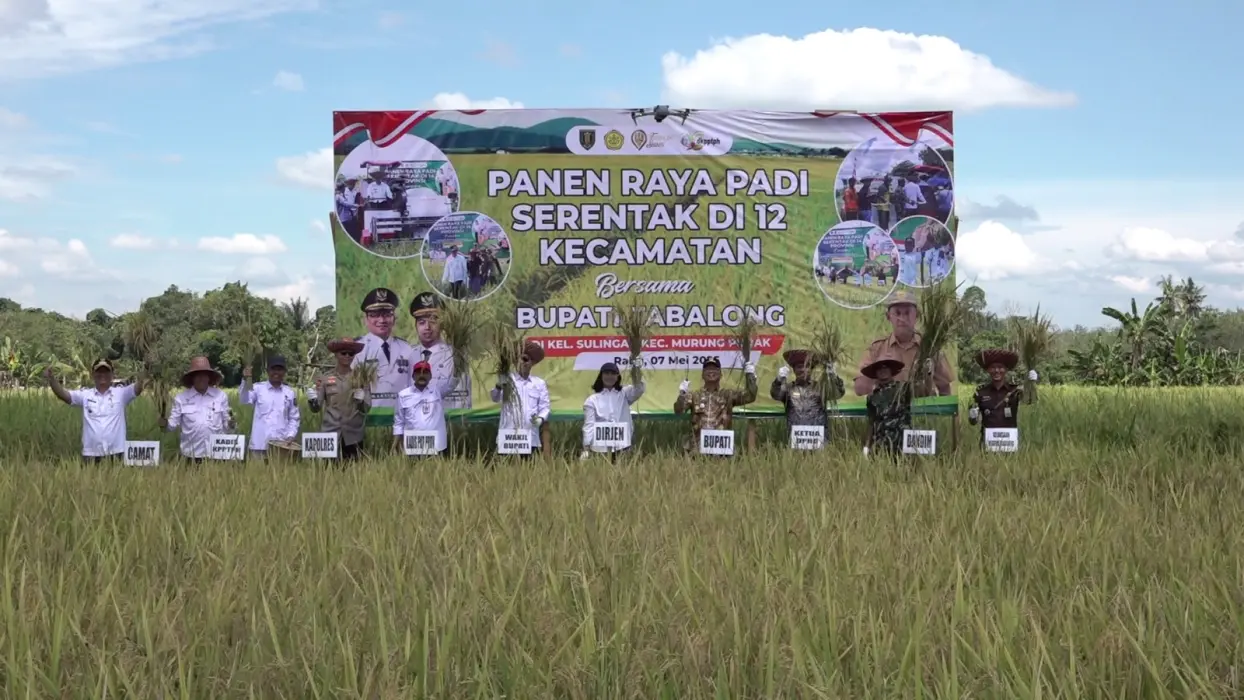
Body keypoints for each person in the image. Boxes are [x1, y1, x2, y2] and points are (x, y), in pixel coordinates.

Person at [853, 289, 954, 398]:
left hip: (922, 406)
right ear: (888, 316)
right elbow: (859, 390)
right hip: (888, 407)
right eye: (897, 313)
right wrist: (876, 367)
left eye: (907, 313)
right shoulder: (877, 348)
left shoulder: (930, 347)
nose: (902, 318)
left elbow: (945, 388)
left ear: (917, 315)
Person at [45, 359, 145, 464]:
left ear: (112, 374)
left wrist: (146, 369)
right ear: (93, 374)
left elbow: (138, 388)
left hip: (117, 452)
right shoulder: (86, 395)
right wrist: (52, 380)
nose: (102, 375)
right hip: (91, 454)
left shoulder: (121, 393)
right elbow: (64, 395)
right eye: (99, 372)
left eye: (106, 371)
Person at [673, 357, 758, 454]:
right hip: (697, 448)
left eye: (715, 369)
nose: (711, 372)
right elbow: (679, 411)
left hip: (722, 448)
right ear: (702, 374)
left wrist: (750, 376)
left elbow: (750, 396)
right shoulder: (694, 395)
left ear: (720, 374)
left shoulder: (728, 395)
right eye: (708, 369)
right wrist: (682, 394)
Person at [352, 287, 416, 411]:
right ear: (366, 319)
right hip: (370, 415)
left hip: (401, 415)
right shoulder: (357, 349)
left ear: (394, 318)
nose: (382, 320)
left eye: (387, 314)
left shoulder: (406, 348)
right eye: (375, 315)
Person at [308, 337, 371, 462]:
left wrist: (361, 401)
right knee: (328, 471)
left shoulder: (360, 379)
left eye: (351, 353)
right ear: (336, 354)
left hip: (353, 434)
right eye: (343, 353)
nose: (347, 356)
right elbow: (316, 408)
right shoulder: (325, 379)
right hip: (330, 432)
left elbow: (367, 408)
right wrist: (312, 400)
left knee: (354, 471)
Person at [160, 356, 232, 464]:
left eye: (204, 375)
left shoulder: (220, 396)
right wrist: (164, 424)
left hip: (217, 454)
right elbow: (172, 425)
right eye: (197, 375)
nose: (201, 378)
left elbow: (227, 425)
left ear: (209, 377)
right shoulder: (181, 398)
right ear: (192, 378)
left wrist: (231, 424)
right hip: (191, 455)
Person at [408, 291, 472, 410]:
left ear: (442, 324)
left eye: (433, 321)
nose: (427, 327)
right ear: (415, 325)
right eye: (422, 322)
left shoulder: (454, 354)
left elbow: (462, 397)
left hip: (445, 418)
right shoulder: (410, 355)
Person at [490, 342, 552, 458]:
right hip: (508, 435)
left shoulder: (539, 383)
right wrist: (498, 387)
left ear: (532, 363)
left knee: (528, 468)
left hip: (530, 436)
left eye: (525, 359)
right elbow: (495, 398)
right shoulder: (508, 379)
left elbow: (545, 407)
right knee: (506, 467)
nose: (522, 363)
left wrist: (540, 419)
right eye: (519, 359)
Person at [967, 349, 1039, 445]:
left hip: (1009, 442)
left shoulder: (1015, 390)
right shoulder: (981, 392)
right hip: (988, 443)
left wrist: (1032, 383)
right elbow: (973, 422)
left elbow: (1030, 401)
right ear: (988, 370)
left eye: (1000, 367)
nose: (997, 371)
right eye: (993, 367)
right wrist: (972, 416)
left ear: (1006, 369)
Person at [771, 349, 844, 439]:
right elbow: (776, 395)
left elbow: (838, 394)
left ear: (811, 369)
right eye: (799, 367)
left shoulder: (821, 388)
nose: (803, 370)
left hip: (818, 438)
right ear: (794, 370)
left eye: (806, 366)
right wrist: (778, 380)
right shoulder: (788, 389)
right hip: (795, 438)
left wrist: (834, 377)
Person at [580, 361, 645, 461]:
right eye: (606, 373)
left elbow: (639, 388)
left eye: (613, 373)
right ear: (601, 376)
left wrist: (635, 366)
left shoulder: (625, 393)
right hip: (601, 449)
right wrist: (586, 447)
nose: (609, 376)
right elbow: (589, 425)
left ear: (617, 376)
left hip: (623, 447)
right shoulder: (592, 400)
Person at [239, 356, 300, 458]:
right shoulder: (258, 388)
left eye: (279, 369)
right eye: (273, 369)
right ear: (267, 371)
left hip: (281, 445)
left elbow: (294, 418)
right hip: (259, 444)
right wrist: (245, 379)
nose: (276, 372)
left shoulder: (290, 393)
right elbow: (244, 399)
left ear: (284, 372)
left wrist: (290, 435)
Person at [392, 359, 450, 458]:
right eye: (418, 373)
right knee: (414, 467)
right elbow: (399, 422)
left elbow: (453, 382)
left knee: (437, 468)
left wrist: (458, 364)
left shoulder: (437, 391)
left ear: (430, 376)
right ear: (413, 376)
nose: (422, 375)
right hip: (413, 442)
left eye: (425, 373)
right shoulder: (403, 395)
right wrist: (395, 445)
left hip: (436, 443)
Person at [862, 357, 912, 459]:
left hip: (901, 441)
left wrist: (927, 373)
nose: (882, 370)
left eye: (885, 367)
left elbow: (924, 391)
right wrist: (867, 446)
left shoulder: (903, 389)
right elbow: (871, 422)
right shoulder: (872, 397)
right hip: (881, 444)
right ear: (875, 373)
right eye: (879, 368)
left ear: (891, 370)